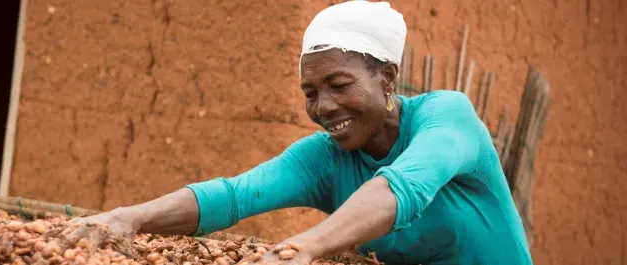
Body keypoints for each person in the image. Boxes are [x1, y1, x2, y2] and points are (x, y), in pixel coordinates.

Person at [71, 1, 533, 264]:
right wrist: (126, 218)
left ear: (387, 79)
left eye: (339, 85)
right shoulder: (325, 159)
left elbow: (403, 186)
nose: (324, 107)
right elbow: (232, 196)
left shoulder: (447, 117)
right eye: (310, 92)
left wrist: (302, 248)